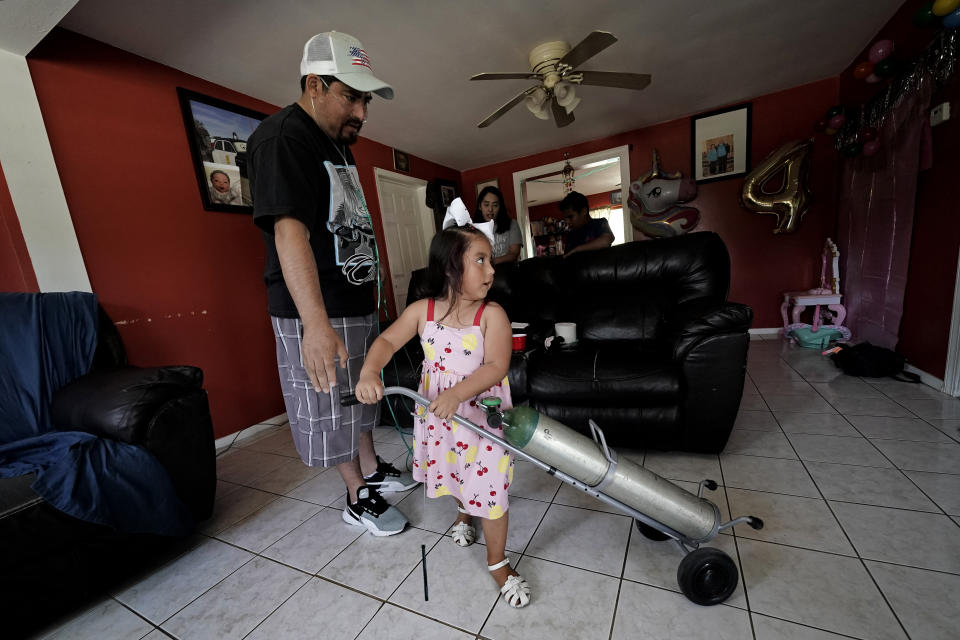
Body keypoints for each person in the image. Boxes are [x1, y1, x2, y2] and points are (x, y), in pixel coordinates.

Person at [248, 31, 416, 537]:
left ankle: (371, 469)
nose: (362, 112)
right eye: (351, 96)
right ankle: (355, 494)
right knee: (332, 403)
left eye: (364, 99)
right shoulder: (282, 138)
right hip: (314, 308)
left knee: (361, 394)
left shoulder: (336, 144)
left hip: (351, 299)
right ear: (315, 84)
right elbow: (289, 232)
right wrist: (315, 326)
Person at [354, 223, 532, 609]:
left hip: (483, 419)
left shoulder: (492, 314)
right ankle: (464, 516)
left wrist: (456, 393)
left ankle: (498, 563)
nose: (491, 270)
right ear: (452, 268)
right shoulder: (423, 311)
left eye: (489, 260)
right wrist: (370, 371)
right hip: (441, 419)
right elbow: (386, 341)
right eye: (480, 260)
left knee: (492, 486)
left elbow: (497, 366)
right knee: (454, 470)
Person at [558, 191, 614, 256]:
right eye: (565, 219)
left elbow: (606, 241)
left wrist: (577, 249)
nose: (567, 222)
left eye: (570, 217)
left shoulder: (599, 223)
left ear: (584, 211)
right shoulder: (571, 235)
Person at [473, 186, 521, 264]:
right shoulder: (473, 229)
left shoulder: (512, 224)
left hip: (508, 272)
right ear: (479, 206)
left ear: (500, 207)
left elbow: (514, 254)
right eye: (486, 205)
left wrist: (490, 262)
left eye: (495, 205)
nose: (490, 209)